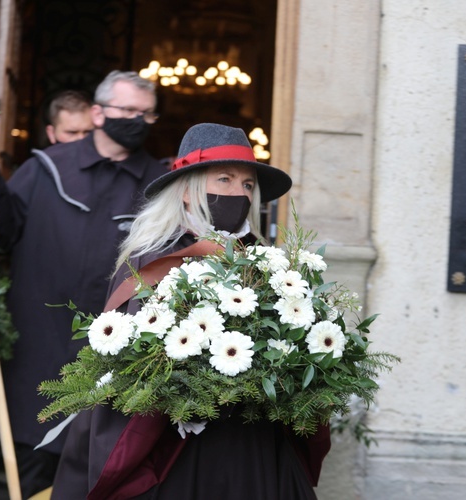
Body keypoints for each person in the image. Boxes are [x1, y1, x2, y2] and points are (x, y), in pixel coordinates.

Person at [51, 123, 330, 500]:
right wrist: (188, 391)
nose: (238, 193)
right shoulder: (152, 259)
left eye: (248, 185)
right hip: (180, 441)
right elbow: (132, 358)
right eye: (225, 179)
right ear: (187, 190)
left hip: (252, 440)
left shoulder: (267, 264)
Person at [0, 70, 168, 498]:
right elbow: (3, 235)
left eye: (146, 114)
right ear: (98, 113)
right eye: (127, 110)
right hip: (38, 343)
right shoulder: (45, 168)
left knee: (101, 467)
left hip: (114, 351)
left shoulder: (160, 184)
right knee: (31, 468)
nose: (137, 119)